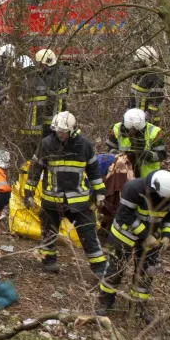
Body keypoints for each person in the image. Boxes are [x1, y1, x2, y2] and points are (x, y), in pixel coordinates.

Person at [25, 111, 107, 277]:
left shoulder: (84, 145)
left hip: (78, 200)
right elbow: (35, 169)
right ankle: (49, 260)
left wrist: (100, 193)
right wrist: (29, 192)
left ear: (72, 130)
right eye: (58, 132)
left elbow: (93, 171)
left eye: (63, 132)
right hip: (52, 198)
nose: (60, 135)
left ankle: (99, 267)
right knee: (49, 230)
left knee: (87, 232)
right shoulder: (46, 144)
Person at [96, 169, 170, 320]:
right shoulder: (134, 189)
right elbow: (125, 215)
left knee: (147, 272)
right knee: (115, 269)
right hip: (124, 235)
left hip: (152, 239)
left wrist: (168, 235)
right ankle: (105, 302)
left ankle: (138, 306)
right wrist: (145, 236)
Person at [107, 108, 166, 180]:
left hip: (147, 177)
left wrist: (146, 155)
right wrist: (123, 155)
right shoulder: (117, 129)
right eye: (129, 130)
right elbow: (110, 151)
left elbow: (161, 155)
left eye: (137, 131)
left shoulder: (154, 131)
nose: (133, 132)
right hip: (122, 175)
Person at [127, 45, 167, 118]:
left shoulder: (156, 75)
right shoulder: (138, 74)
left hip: (148, 118)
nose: (138, 65)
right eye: (137, 62)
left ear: (148, 60)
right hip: (135, 116)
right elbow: (132, 97)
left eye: (140, 62)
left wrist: (147, 117)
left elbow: (155, 101)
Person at [33, 49, 69, 123]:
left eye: (39, 63)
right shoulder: (60, 70)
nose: (38, 66)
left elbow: (50, 95)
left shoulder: (51, 75)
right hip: (61, 110)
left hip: (53, 111)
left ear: (45, 63)